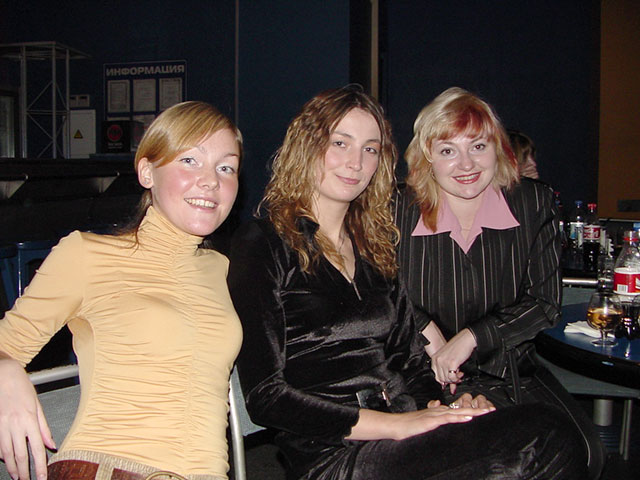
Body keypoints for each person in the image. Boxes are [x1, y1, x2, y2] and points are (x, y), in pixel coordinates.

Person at [227, 85, 588, 480]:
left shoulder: (372, 246)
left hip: (403, 435)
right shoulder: (263, 243)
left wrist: (443, 409)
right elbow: (266, 397)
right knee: (542, 437)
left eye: (370, 149)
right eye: (340, 143)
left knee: (543, 439)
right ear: (307, 147)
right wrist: (396, 425)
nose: (355, 162)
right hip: (334, 453)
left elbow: (411, 362)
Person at [0, 101, 243, 480]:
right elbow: (6, 344)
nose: (211, 180)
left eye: (226, 167)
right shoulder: (87, 255)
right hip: (109, 468)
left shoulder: (220, 270)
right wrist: (5, 369)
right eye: (190, 161)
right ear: (147, 172)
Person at [394, 87, 604, 479]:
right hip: (421, 372)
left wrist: (472, 337)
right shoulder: (397, 209)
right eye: (447, 150)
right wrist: (427, 331)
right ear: (427, 158)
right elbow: (379, 291)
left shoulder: (533, 202)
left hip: (511, 371)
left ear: (499, 149)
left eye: (478, 146)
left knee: (585, 455)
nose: (466, 164)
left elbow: (544, 302)